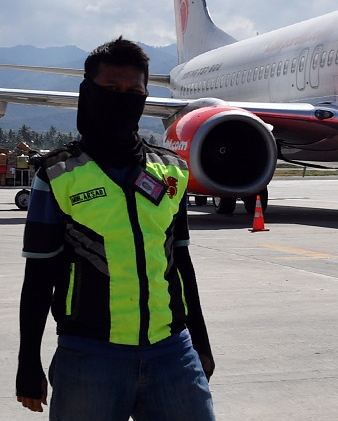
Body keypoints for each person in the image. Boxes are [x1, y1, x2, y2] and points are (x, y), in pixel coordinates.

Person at [15, 37, 215, 418]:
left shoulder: (172, 170)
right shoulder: (57, 175)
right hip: (89, 356)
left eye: (133, 91)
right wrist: (28, 362)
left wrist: (200, 343)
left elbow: (181, 265)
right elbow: (38, 277)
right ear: (88, 92)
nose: (123, 98)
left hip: (172, 353)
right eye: (111, 89)